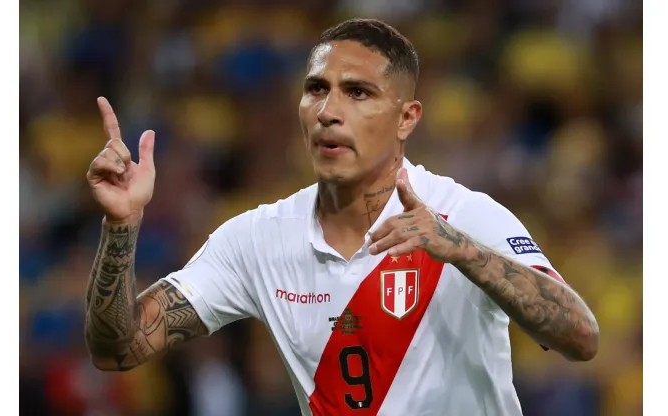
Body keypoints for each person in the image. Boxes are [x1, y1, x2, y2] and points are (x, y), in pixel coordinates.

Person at [84, 18, 599, 416]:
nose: (329, 110)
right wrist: (121, 226)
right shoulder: (257, 239)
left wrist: (460, 250)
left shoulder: (463, 215)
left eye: (357, 92)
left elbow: (580, 336)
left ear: (406, 118)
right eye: (316, 88)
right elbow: (119, 351)